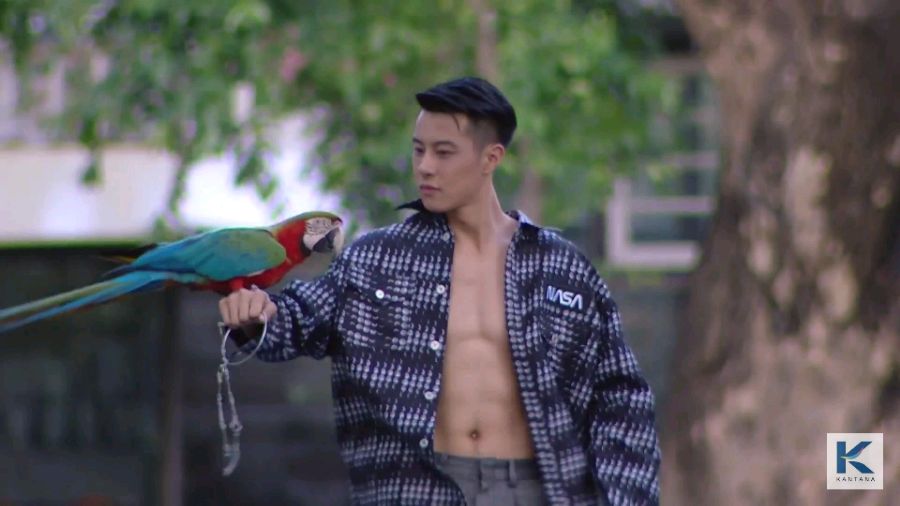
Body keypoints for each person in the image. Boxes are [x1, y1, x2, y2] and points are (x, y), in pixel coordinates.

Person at [219, 77, 661, 505]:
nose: (425, 166)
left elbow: (620, 395)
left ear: (491, 158)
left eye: (443, 152)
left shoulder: (560, 267)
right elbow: (299, 318)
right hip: (418, 488)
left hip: (536, 488)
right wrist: (258, 315)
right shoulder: (377, 257)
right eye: (418, 150)